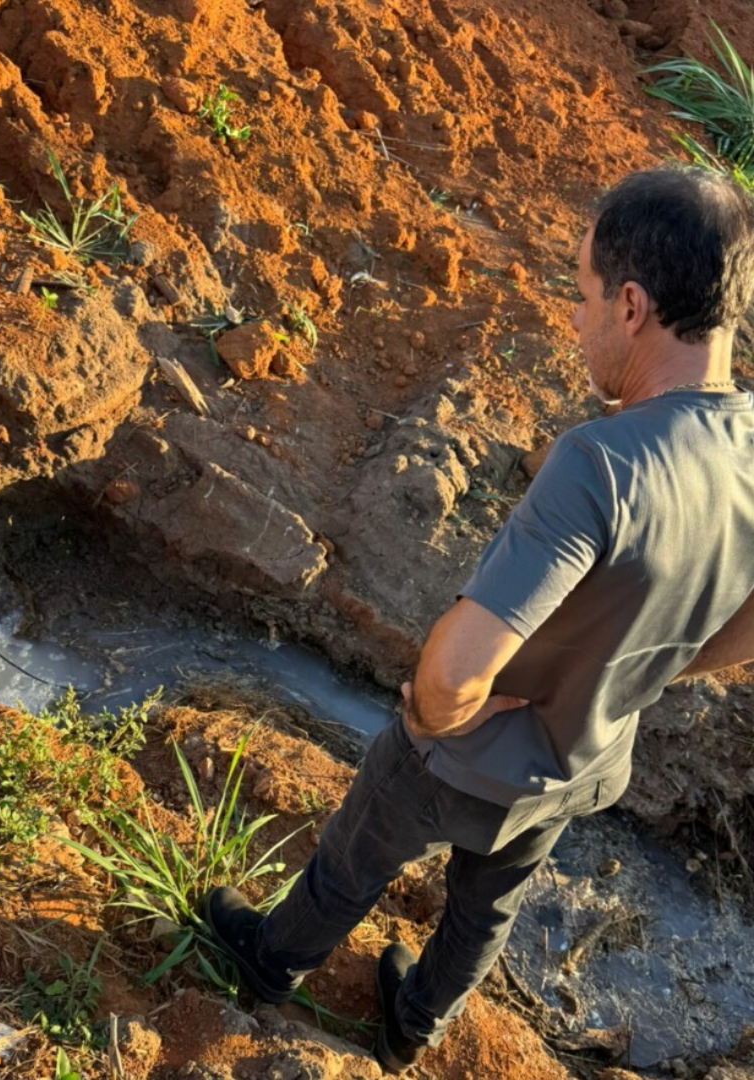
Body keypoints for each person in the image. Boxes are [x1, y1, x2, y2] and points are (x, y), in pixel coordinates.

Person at [201, 165, 754, 1072]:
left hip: (464, 752)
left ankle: (271, 963)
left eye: (579, 296)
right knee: (486, 909)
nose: (572, 322)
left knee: (354, 857)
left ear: (631, 305)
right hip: (583, 761)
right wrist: (635, 669)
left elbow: (456, 669)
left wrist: (432, 715)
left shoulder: (600, 463)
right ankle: (414, 1024)